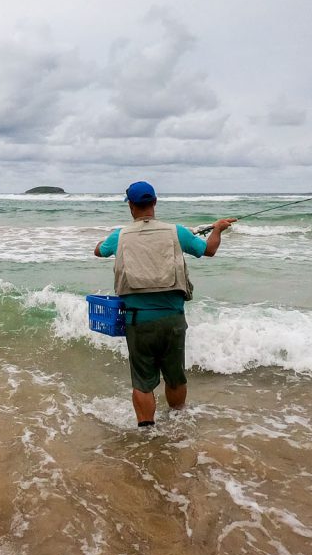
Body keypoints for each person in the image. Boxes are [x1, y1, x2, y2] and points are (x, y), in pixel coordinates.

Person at [94, 181, 236, 427]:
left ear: (130, 205)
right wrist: (217, 229)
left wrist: (106, 245)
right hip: (173, 319)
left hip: (137, 321)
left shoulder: (120, 236)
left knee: (142, 382)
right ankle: (177, 423)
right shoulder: (177, 232)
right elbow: (209, 250)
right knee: (175, 378)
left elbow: (99, 251)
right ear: (155, 202)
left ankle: (147, 432)